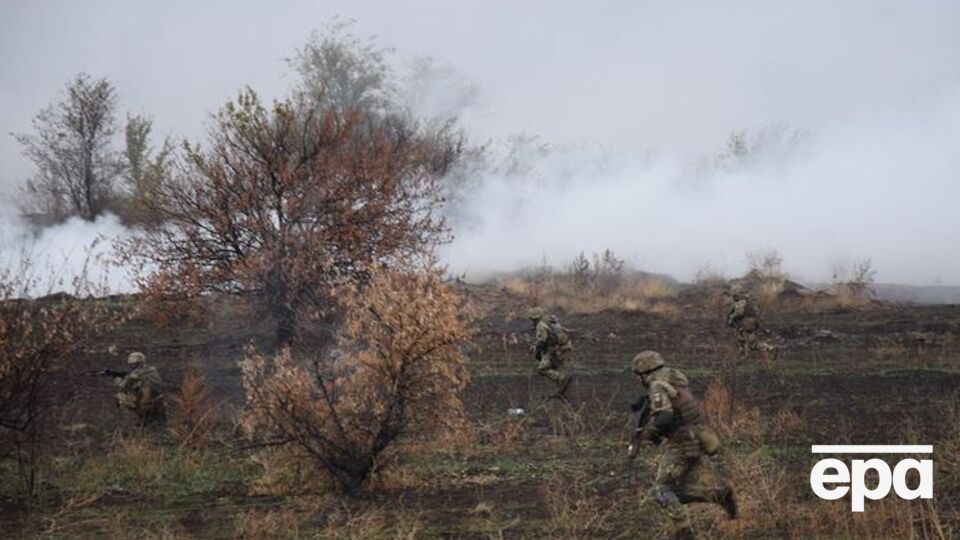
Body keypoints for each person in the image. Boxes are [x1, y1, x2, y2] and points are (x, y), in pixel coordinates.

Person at [628, 351, 737, 538]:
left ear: (645, 372)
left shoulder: (657, 385)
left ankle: (684, 530)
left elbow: (665, 417)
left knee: (661, 490)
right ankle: (719, 496)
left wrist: (649, 433)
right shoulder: (674, 379)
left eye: (639, 375)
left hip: (681, 442)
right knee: (680, 488)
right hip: (695, 438)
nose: (639, 379)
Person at [527, 307, 573, 397]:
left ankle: (561, 378)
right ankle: (561, 388)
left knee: (542, 369)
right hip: (564, 346)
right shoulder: (551, 320)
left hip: (554, 348)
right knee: (554, 365)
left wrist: (537, 352)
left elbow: (543, 341)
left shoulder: (541, 325)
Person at [114, 351, 166, 425]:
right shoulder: (153, 371)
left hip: (144, 405)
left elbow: (123, 387)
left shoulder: (135, 374)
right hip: (159, 402)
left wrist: (118, 381)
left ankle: (131, 421)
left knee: (119, 396)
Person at [726, 285, 761, 357]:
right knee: (750, 340)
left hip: (746, 323)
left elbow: (739, 312)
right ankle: (765, 350)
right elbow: (757, 312)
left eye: (734, 296)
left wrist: (731, 318)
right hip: (754, 322)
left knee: (745, 340)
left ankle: (746, 356)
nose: (733, 297)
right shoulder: (750, 301)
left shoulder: (741, 302)